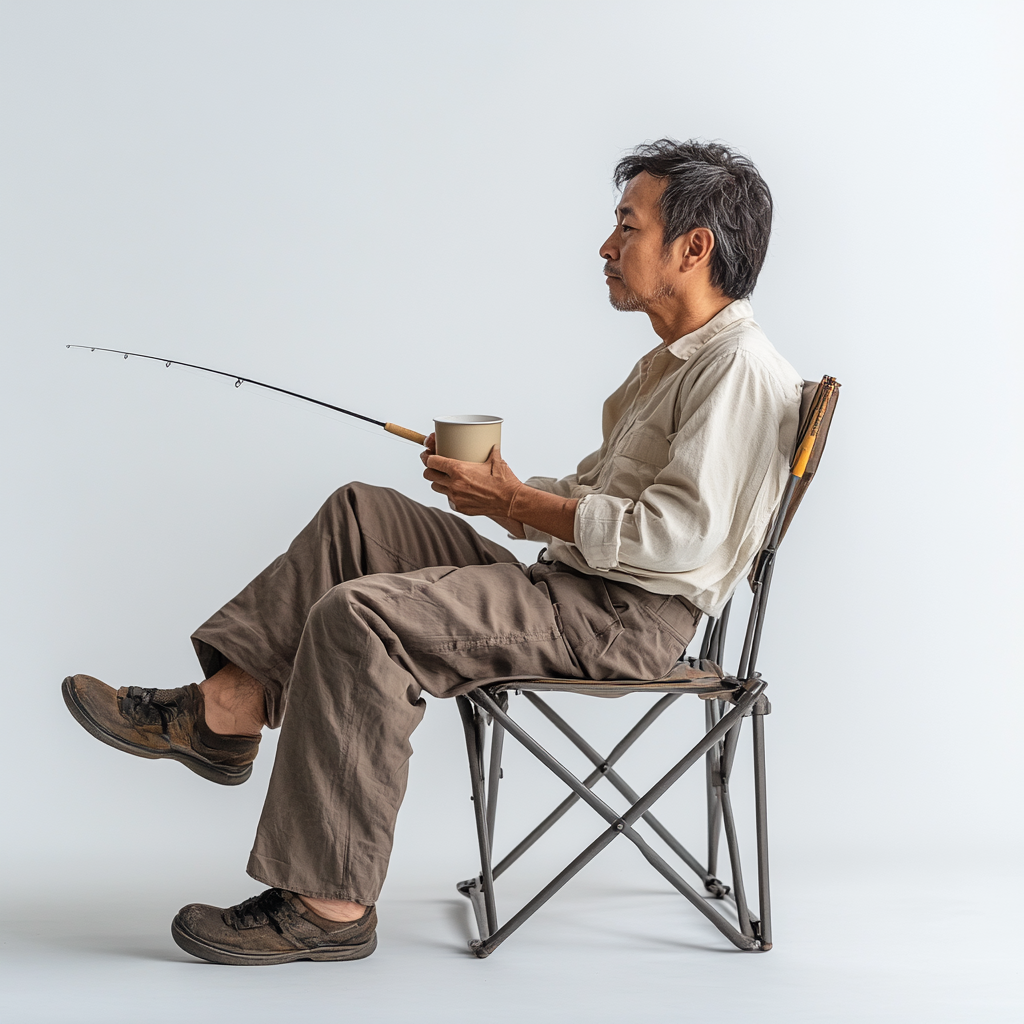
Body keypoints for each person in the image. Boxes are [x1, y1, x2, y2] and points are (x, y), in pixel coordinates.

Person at [62, 139, 803, 966]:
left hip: (618, 621)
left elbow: (678, 538)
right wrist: (506, 491)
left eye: (626, 226)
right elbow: (605, 500)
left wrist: (517, 504)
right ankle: (221, 716)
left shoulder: (738, 369)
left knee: (361, 618)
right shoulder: (671, 367)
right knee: (361, 517)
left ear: (692, 247)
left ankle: (328, 906)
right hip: (574, 589)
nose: (606, 246)